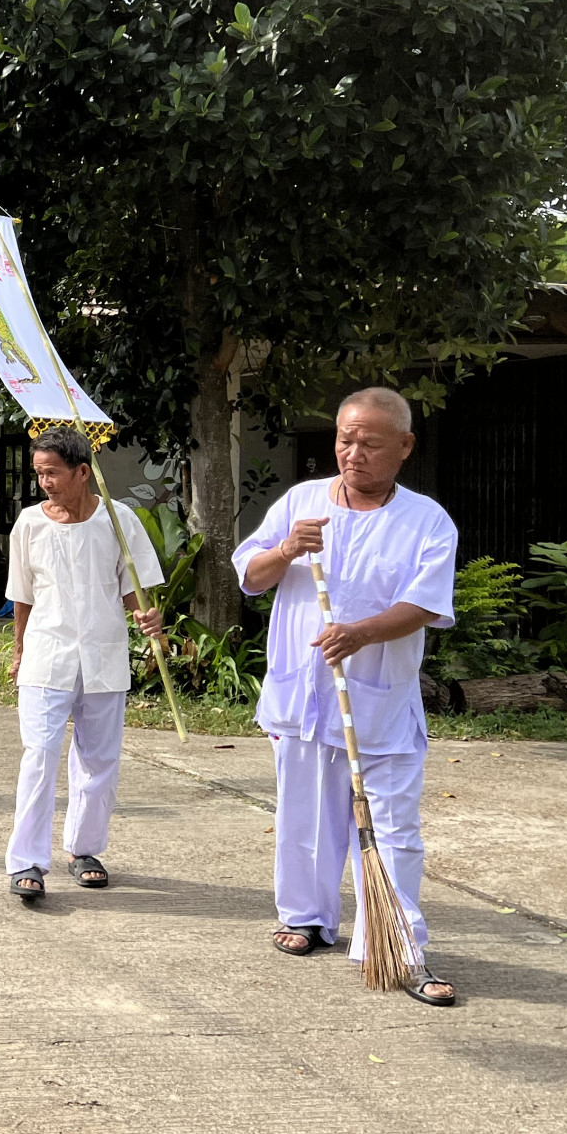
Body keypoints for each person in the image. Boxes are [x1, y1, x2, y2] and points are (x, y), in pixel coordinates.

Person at [234, 387, 459, 1006]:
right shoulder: (301, 502)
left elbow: (426, 605)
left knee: (393, 830)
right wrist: (284, 549)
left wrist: (360, 633)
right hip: (303, 695)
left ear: (405, 447)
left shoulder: (426, 521)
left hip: (378, 703)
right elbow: (250, 576)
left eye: (370, 442)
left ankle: (398, 946)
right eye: (344, 439)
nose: (353, 452)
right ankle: (304, 917)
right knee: (304, 815)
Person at [1, 428, 166, 902]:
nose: (44, 483)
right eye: (39, 474)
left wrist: (148, 616)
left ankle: (85, 850)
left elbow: (134, 587)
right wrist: (18, 652)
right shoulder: (29, 524)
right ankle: (27, 862)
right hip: (46, 656)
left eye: (51, 473)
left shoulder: (119, 520)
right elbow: (23, 596)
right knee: (39, 756)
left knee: (99, 760)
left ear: (82, 472)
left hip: (103, 655)